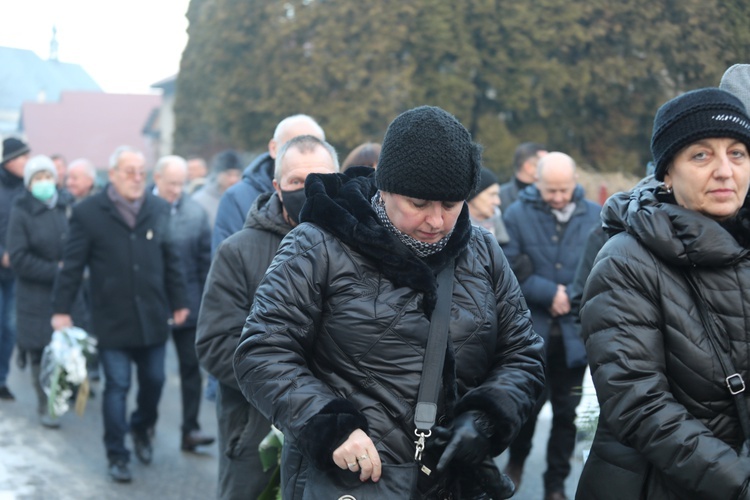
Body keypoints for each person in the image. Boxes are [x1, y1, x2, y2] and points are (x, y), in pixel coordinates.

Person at [233, 106, 545, 499]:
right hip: (350, 482)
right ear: (385, 188)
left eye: (451, 205)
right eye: (419, 204)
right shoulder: (317, 245)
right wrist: (330, 426)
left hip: (452, 483)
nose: (436, 221)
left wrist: (486, 418)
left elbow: (523, 353)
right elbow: (261, 350)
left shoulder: (483, 251)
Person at [576, 88, 750, 499]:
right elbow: (638, 403)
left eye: (738, 153)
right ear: (667, 173)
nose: (725, 171)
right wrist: (740, 484)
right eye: (701, 155)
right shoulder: (626, 260)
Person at [196, 134, 340, 500]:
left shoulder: (359, 250)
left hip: (338, 431)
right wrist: (289, 390)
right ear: (277, 187)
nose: (309, 190)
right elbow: (214, 343)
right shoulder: (238, 252)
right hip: (257, 428)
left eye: (320, 179)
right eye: (296, 182)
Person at [51, 145, 188, 483]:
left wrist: (180, 300)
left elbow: (171, 256)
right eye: (129, 171)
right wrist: (61, 309)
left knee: (154, 381)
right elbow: (72, 266)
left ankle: (141, 427)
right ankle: (117, 454)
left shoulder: (157, 207)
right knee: (117, 386)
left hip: (153, 314)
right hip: (112, 316)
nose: (136, 178)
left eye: (141, 172)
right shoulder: (88, 212)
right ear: (111, 175)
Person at [502, 152, 601, 500]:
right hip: (532, 336)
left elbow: (602, 267)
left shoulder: (594, 214)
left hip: (575, 339)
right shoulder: (515, 214)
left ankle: (556, 484)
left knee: (567, 415)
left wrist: (571, 295)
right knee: (525, 409)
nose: (558, 197)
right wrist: (549, 292)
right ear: (537, 184)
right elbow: (508, 267)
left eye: (564, 189)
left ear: (574, 182)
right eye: (550, 190)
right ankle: (515, 464)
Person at [6, 155, 80, 427]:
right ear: (29, 183)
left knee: (65, 349)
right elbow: (19, 257)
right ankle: (45, 403)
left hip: (67, 292)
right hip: (34, 294)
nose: (44, 183)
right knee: (40, 350)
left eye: (48, 176)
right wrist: (56, 270)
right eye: (38, 178)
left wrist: (73, 270)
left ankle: (61, 394)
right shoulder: (21, 210)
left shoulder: (67, 207)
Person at [152, 155, 214, 453]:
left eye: (181, 183)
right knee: (151, 373)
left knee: (191, 369)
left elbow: (205, 262)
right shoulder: (141, 211)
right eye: (171, 183)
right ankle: (146, 424)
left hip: (187, 305)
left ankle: (190, 429)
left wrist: (203, 303)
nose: (176, 189)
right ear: (157, 179)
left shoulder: (195, 213)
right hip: (151, 303)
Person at [211, 114, 325, 251]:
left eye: (314, 147)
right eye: (295, 145)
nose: (305, 154)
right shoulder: (237, 197)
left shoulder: (336, 196)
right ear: (273, 148)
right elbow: (227, 261)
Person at [0, 137, 30, 400]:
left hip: (15, 272)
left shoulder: (26, 190)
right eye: (23, 158)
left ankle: (1, 379)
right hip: (2, 264)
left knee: (9, 327)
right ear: (9, 160)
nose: (27, 163)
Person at [191, 149, 243, 228]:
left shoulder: (246, 199)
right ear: (218, 175)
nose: (233, 180)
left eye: (237, 175)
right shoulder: (200, 201)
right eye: (229, 174)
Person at [467, 166, 510, 245]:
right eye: (492, 194)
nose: (498, 202)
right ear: (473, 196)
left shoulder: (495, 218)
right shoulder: (455, 226)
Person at [499, 142, 547, 211]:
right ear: (528, 167)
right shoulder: (500, 197)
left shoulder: (550, 195)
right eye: (544, 164)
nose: (550, 168)